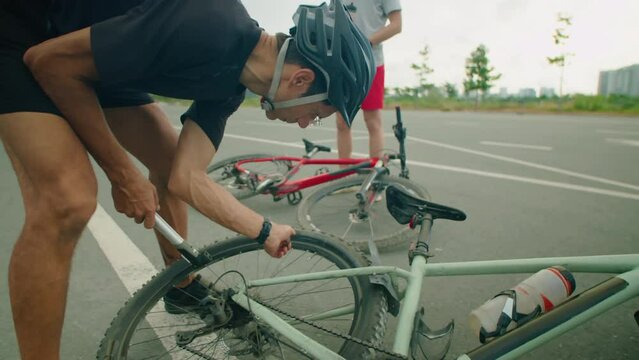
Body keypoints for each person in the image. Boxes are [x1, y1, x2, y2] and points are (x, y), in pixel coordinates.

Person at [2, 0, 375, 359]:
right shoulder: (209, 24)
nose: (308, 124)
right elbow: (50, 64)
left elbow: (185, 177)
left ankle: (180, 288)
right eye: (319, 113)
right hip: (26, 34)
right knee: (70, 200)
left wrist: (264, 230)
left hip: (93, 55)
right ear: (301, 78)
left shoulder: (229, 88)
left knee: (167, 162)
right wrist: (122, 174)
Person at [335, 0, 402, 160]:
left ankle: (375, 176)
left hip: (371, 63)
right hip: (344, 62)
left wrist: (366, 41)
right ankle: (343, 177)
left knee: (372, 121)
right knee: (342, 121)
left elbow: (397, 25)